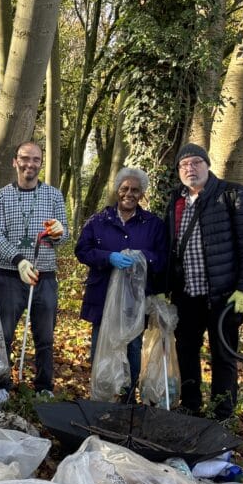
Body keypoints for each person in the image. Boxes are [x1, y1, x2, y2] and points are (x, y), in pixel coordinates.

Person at [165, 143, 243, 422]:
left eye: (196, 162)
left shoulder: (233, 195)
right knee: (186, 349)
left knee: (223, 354)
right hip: (187, 294)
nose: (190, 168)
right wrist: (164, 287)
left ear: (207, 165)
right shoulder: (176, 199)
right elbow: (169, 246)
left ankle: (222, 412)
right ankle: (191, 405)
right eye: (184, 165)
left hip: (224, 295)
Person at [75, 166, 167, 401]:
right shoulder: (98, 221)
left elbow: (163, 257)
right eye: (124, 188)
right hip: (102, 297)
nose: (129, 193)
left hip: (135, 302)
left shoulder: (153, 224)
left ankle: (127, 400)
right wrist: (108, 257)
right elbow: (82, 250)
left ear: (142, 193)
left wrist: (142, 257)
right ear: (117, 190)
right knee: (101, 347)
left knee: (133, 348)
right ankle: (101, 397)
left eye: (135, 190)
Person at [0, 141, 68, 396]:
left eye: (36, 159)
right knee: (4, 334)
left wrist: (58, 233)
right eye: (25, 158)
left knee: (44, 336)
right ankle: (1, 384)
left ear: (41, 163)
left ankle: (44, 387)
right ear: (15, 161)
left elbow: (62, 236)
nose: (30, 164)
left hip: (44, 276)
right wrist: (19, 260)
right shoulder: (1, 196)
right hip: (10, 276)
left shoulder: (54, 195)